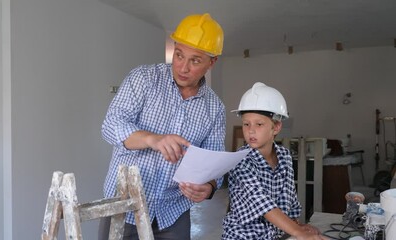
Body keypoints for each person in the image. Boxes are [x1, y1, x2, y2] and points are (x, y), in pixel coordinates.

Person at [99, 13, 225, 240]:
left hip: (173, 214)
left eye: (195, 60)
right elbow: (111, 125)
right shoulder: (143, 79)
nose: (183, 67)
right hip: (123, 207)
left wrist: (209, 187)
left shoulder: (215, 108)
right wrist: (153, 139)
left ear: (212, 61)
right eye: (179, 55)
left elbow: (213, 163)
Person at [222, 82, 328, 240]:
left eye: (259, 124)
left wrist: (297, 226)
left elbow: (289, 198)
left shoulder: (284, 157)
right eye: (246, 124)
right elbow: (262, 204)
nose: (250, 130)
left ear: (276, 127)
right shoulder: (241, 161)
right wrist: (297, 232)